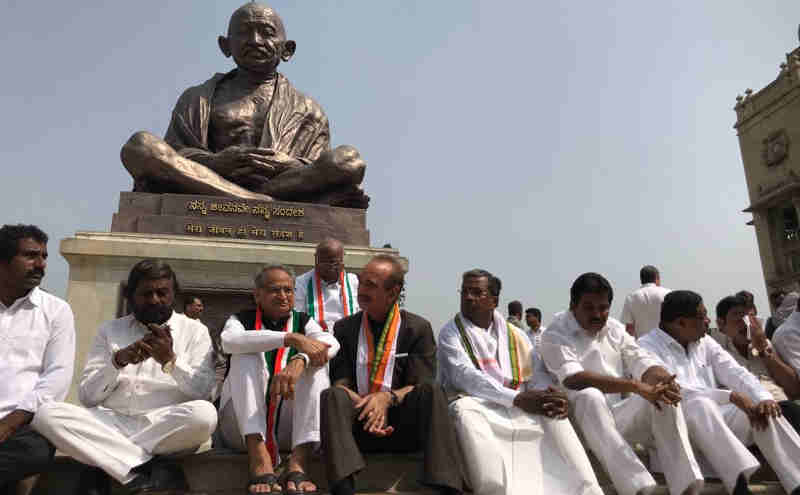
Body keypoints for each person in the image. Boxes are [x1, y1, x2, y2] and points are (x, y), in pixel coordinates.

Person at [120, 2, 368, 208]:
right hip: (207, 180)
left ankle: (249, 199)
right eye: (244, 32)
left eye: (267, 32)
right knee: (140, 145)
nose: (255, 40)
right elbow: (175, 156)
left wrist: (288, 164)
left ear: (287, 49)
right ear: (225, 45)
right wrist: (216, 163)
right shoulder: (197, 98)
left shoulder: (308, 109)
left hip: (283, 185)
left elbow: (315, 169)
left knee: (348, 160)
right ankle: (258, 202)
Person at [32, 260, 218, 494]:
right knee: (45, 414)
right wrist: (117, 361)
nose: (154, 300)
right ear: (131, 296)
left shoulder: (195, 331)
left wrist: (170, 361)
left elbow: (204, 393)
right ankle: (145, 467)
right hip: (112, 423)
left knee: (204, 415)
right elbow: (88, 397)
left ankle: (107, 460)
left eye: (162, 292)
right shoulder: (110, 330)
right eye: (146, 293)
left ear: (174, 294)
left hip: (164, 423)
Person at [438, 269, 603, 495]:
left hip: (520, 403)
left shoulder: (517, 335)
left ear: (494, 301)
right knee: (464, 412)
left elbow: (535, 374)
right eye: (464, 291)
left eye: (476, 292)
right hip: (479, 404)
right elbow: (465, 377)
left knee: (552, 410)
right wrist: (516, 398)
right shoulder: (450, 333)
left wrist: (549, 394)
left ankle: (588, 490)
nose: (468, 297)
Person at [540, 273, 703, 495]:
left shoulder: (614, 329)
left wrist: (663, 379)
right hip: (581, 424)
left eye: (603, 308)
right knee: (590, 395)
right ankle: (639, 488)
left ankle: (686, 487)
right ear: (572, 306)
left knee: (663, 396)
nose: (597, 314)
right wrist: (635, 386)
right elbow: (575, 379)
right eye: (589, 307)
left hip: (616, 417)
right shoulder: (555, 333)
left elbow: (641, 360)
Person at [321, 255, 466, 495]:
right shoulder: (345, 328)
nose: (363, 290)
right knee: (332, 395)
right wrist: (370, 405)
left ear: (392, 292)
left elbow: (420, 384)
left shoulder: (417, 328)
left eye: (371, 285)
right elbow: (341, 382)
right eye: (362, 283)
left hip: (402, 426)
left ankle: (446, 485)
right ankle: (343, 486)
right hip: (360, 424)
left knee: (432, 391)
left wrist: (386, 399)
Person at [638, 291, 800, 495]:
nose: (707, 321)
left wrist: (764, 399)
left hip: (716, 419)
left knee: (765, 411)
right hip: (678, 426)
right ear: (680, 323)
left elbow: (736, 373)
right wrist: (729, 396)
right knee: (701, 406)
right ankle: (739, 488)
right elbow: (675, 390)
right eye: (701, 316)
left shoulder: (704, 341)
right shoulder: (646, 346)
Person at [218, 264, 339, 494]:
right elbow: (229, 341)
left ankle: (300, 460)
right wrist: (290, 338)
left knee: (316, 365)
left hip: (288, 430)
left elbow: (331, 344)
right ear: (257, 295)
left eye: (288, 290)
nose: (283, 296)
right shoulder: (240, 319)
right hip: (242, 430)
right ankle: (259, 459)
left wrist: (301, 359)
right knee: (245, 356)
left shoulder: (304, 321)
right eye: (275, 290)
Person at [0, 224, 75, 492]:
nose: (41, 264)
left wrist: (11, 422)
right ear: (3, 261)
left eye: (44, 257)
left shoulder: (56, 312)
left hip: (23, 425)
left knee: (34, 451)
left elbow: (58, 377)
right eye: (31, 256)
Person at [712, 295, 800, 426]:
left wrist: (764, 351)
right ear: (721, 324)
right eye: (738, 317)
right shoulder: (716, 353)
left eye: (748, 317)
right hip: (752, 415)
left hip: (783, 407)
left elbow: (793, 389)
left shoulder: (764, 345)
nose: (745, 324)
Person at [294, 238, 359, 331]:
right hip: (316, 337)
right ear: (316, 259)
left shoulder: (354, 282)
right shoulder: (302, 283)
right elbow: (298, 316)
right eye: (323, 262)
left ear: (342, 262)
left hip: (348, 337)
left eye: (333, 262)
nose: (328, 267)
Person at [620, 265, 670, 338]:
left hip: (642, 346)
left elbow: (629, 329)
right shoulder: (668, 294)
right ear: (657, 278)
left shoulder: (631, 297)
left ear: (641, 280)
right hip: (666, 345)